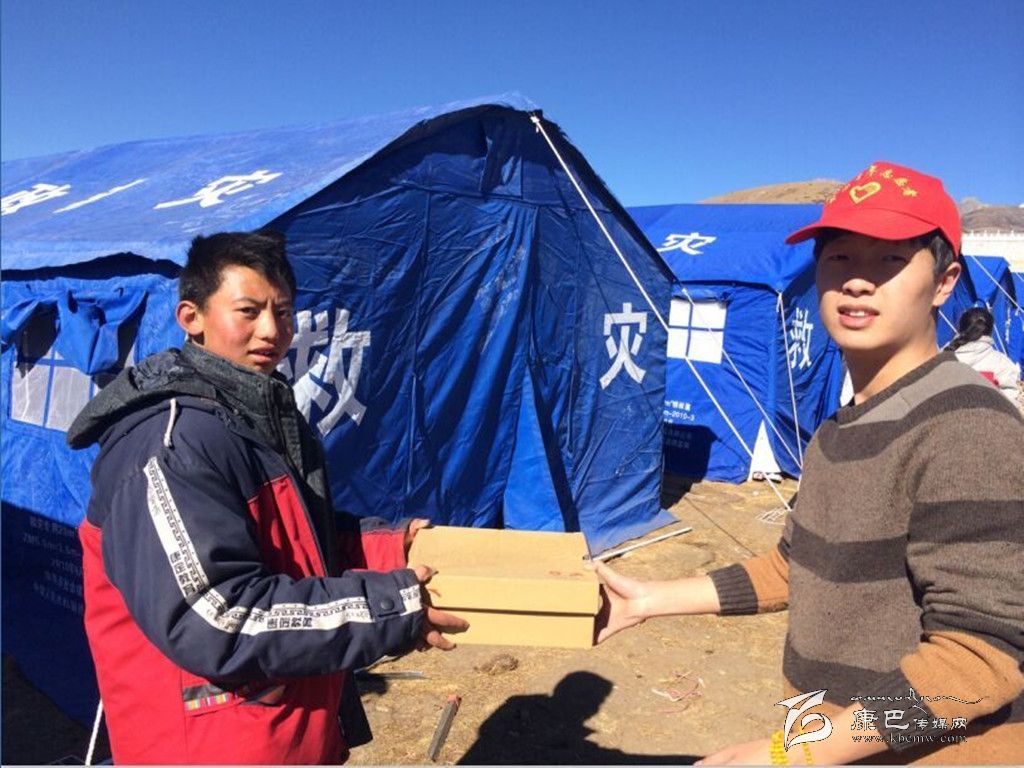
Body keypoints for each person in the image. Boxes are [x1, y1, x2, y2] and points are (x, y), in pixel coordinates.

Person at [594, 162, 1024, 764]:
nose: (858, 282)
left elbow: (978, 661)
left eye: (890, 260)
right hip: (844, 740)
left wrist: (795, 754)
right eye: (839, 258)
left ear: (944, 282)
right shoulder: (842, 427)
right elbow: (797, 565)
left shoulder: (966, 426)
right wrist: (645, 599)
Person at [67, 230, 468, 764]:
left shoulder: (251, 414)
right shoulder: (171, 444)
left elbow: (292, 542)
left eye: (282, 312)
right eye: (248, 311)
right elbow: (218, 617)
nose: (271, 331)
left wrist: (389, 549)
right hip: (209, 746)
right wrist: (391, 609)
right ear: (192, 317)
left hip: (280, 729)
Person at [945, 306, 1020, 402]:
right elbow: (1010, 400)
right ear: (991, 331)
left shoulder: (942, 358)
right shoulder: (1002, 364)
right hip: (990, 410)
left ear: (960, 328)